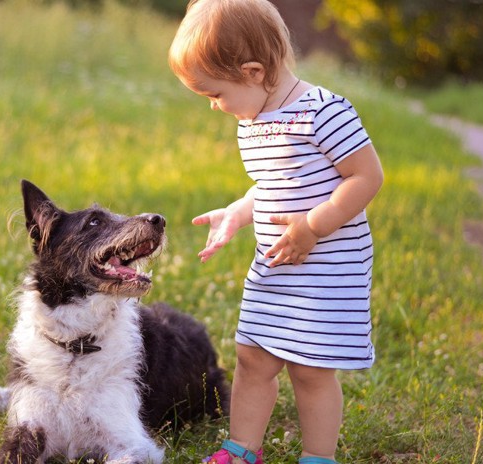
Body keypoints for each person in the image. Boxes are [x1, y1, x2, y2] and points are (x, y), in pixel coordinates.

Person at [168, 0, 384, 463]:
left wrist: (313, 225)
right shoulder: (254, 120)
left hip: (326, 266)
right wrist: (238, 211)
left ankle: (317, 456)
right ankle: (242, 448)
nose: (213, 107)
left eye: (214, 93)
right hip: (276, 262)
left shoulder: (323, 111)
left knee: (310, 371)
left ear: (251, 71)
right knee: (252, 358)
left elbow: (366, 177)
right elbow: (272, 185)